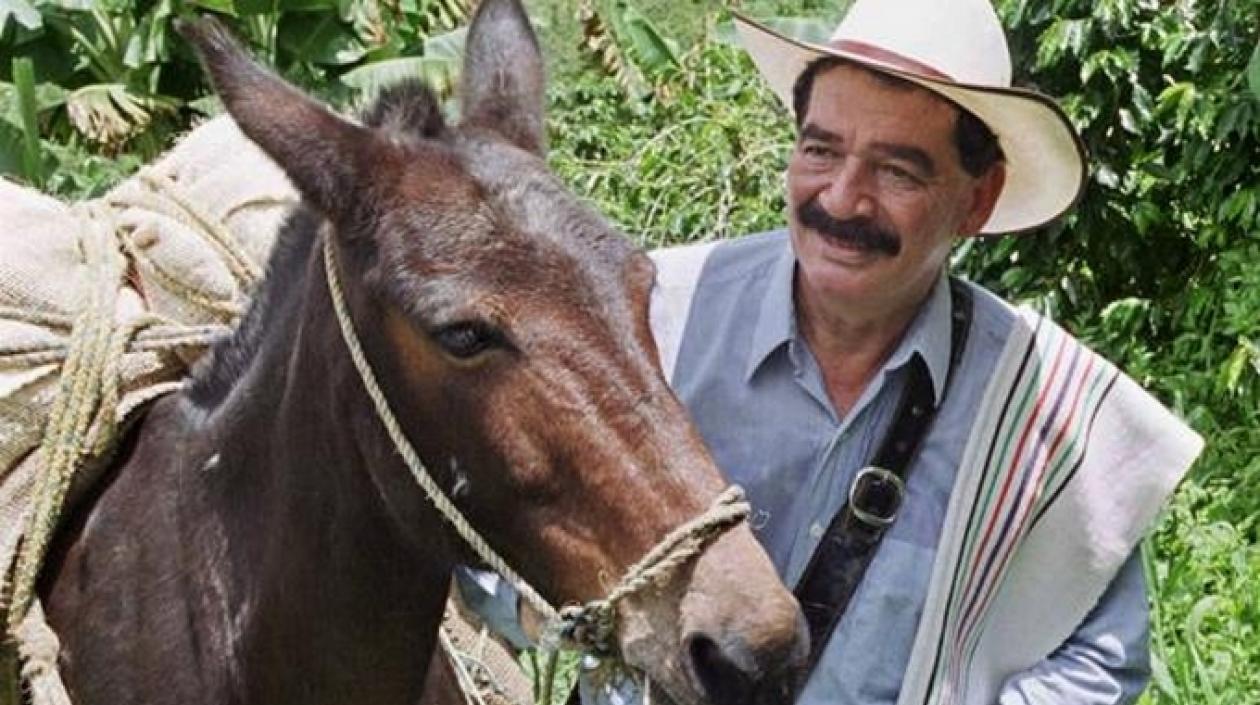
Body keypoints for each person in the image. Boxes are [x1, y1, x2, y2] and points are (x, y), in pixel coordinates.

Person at [462, 0, 1204, 703]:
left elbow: (1099, 656)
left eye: (897, 170)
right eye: (821, 150)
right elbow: (482, 544)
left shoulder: (1043, 415)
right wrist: (576, 615)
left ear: (977, 200)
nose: (843, 198)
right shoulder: (654, 317)